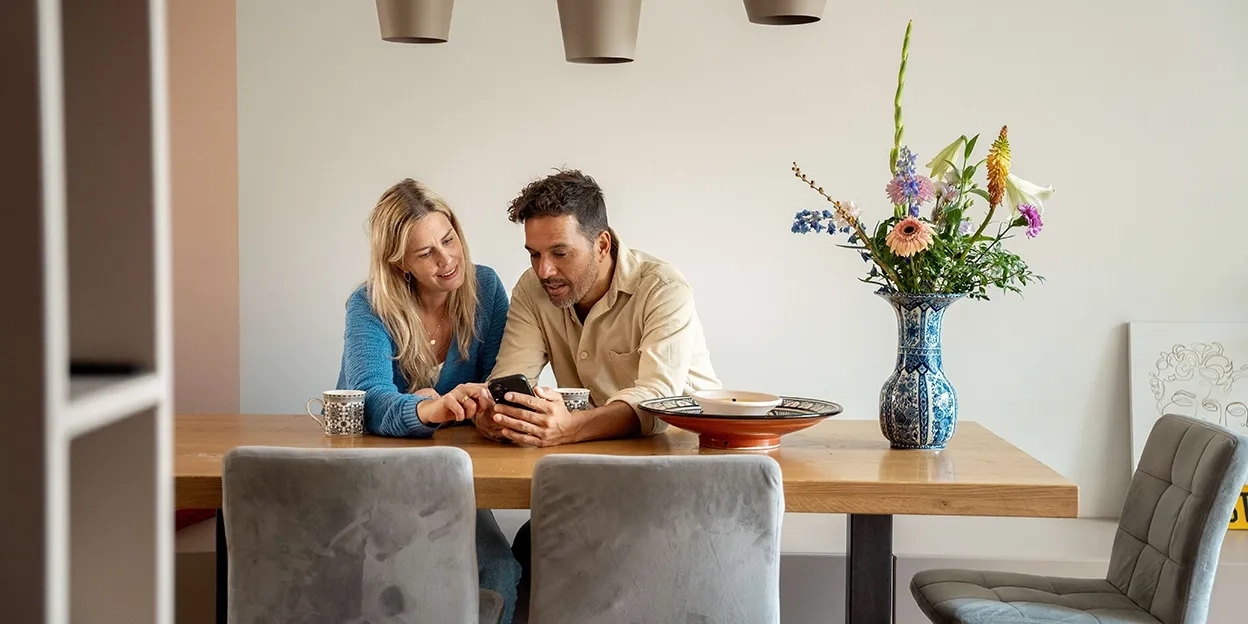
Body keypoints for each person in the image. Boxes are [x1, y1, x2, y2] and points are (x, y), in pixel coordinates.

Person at [476, 168, 722, 582]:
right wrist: (497, 414)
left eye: (559, 252)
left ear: (602, 244)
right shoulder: (532, 291)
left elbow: (658, 397)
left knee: (544, 551)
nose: (544, 271)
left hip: (684, 476)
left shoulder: (663, 288)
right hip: (598, 474)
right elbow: (511, 375)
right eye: (534, 254)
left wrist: (567, 428)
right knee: (531, 550)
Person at [334, 178, 522, 623]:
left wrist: (495, 407)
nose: (447, 260)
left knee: (497, 571)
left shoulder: (487, 289)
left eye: (448, 239)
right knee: (386, 574)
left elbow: (495, 383)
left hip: (454, 480)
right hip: (372, 480)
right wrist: (427, 410)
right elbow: (371, 399)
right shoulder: (369, 304)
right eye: (425, 253)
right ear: (400, 263)